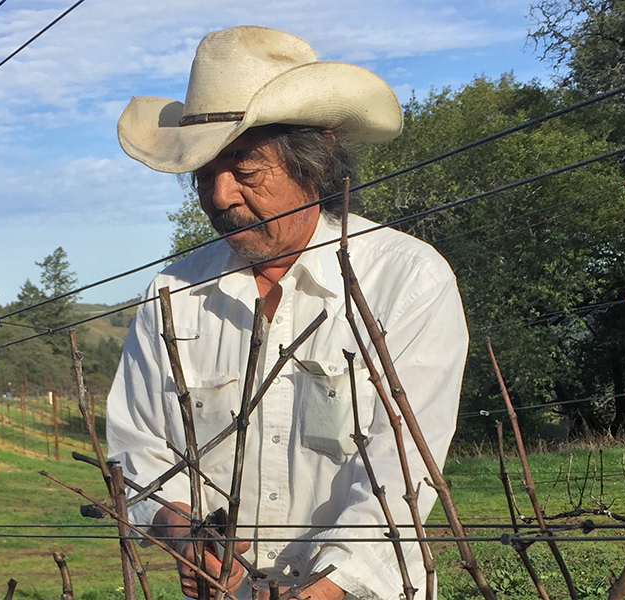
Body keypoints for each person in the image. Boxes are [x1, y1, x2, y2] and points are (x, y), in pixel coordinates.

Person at [106, 25, 468, 600]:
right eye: (203, 175)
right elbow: (136, 446)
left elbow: (403, 473)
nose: (220, 195)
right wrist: (177, 525)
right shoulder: (173, 293)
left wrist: (329, 588)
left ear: (315, 159)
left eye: (246, 171)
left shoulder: (405, 280)